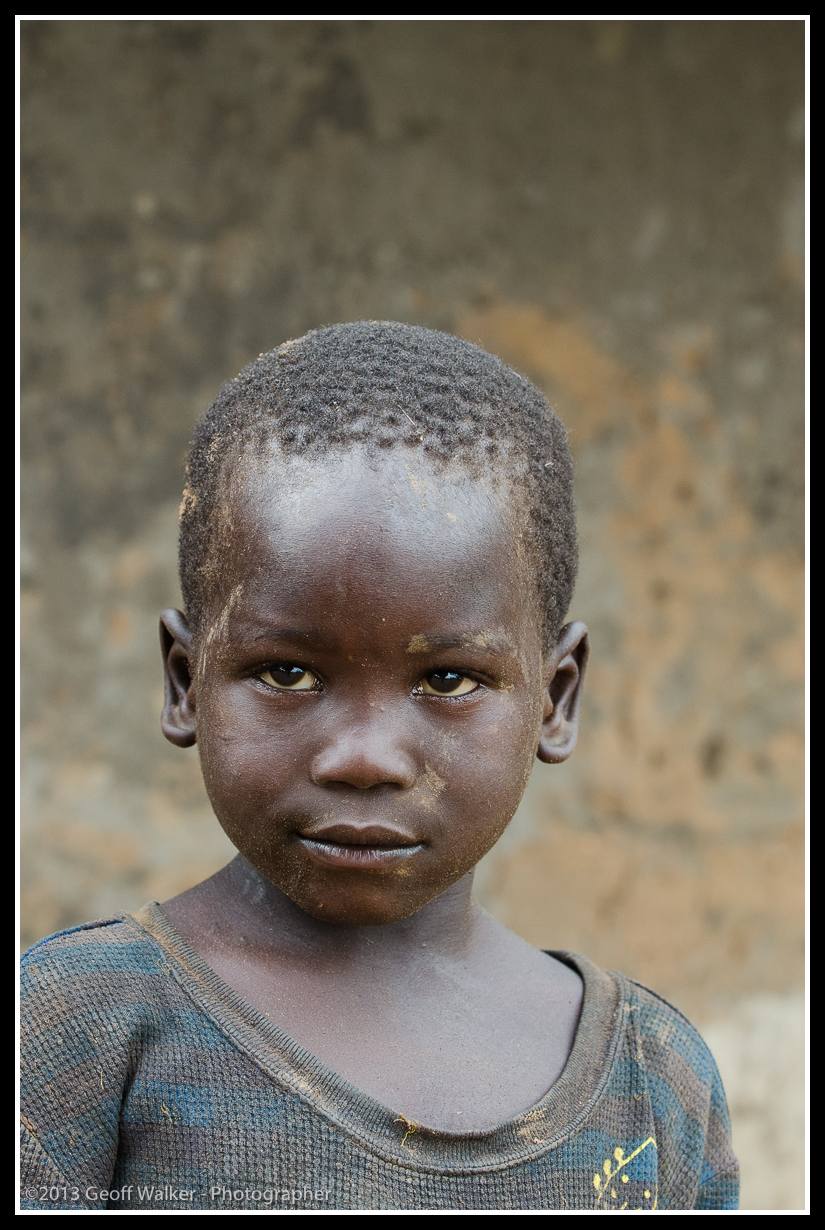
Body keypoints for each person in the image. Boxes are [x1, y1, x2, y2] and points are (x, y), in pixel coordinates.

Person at [20, 321, 740, 1211]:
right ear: (185, 682)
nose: (363, 758)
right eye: (287, 673)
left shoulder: (651, 1081)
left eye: (448, 680)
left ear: (555, 699)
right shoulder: (76, 1029)